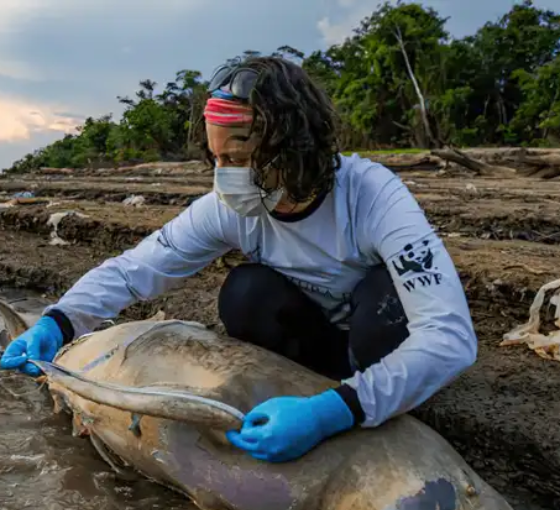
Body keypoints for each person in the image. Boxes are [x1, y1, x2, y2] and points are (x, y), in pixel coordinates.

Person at [0, 56, 477, 463]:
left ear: (293, 147)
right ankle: (310, 396)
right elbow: (137, 269)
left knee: (385, 297)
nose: (226, 178)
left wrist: (335, 411)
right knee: (246, 293)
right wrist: (58, 322)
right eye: (217, 160)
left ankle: (362, 400)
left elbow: (450, 338)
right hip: (316, 347)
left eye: (241, 158)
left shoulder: (373, 197)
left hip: (374, 341)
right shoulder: (231, 209)